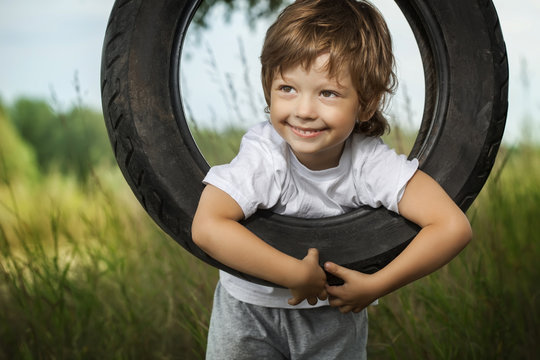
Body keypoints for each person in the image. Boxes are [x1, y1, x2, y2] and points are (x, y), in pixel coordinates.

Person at [191, 0, 472, 358]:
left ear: (366, 103)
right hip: (249, 312)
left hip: (334, 314)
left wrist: (377, 285)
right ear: (268, 87)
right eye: (287, 89)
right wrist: (293, 274)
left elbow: (451, 226)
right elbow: (208, 225)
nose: (304, 111)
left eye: (328, 93)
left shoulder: (368, 162)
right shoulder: (265, 155)